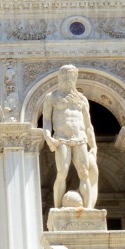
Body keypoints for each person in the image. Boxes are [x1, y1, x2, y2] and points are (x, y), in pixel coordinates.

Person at [42, 64, 99, 210]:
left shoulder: (82, 99)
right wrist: (47, 136)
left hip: (80, 138)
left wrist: (93, 146)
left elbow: (88, 125)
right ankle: (58, 208)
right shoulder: (52, 97)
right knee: (62, 173)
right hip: (61, 138)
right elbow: (47, 120)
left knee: (84, 173)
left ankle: (88, 209)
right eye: (65, 75)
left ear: (75, 78)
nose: (68, 79)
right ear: (60, 77)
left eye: (71, 76)